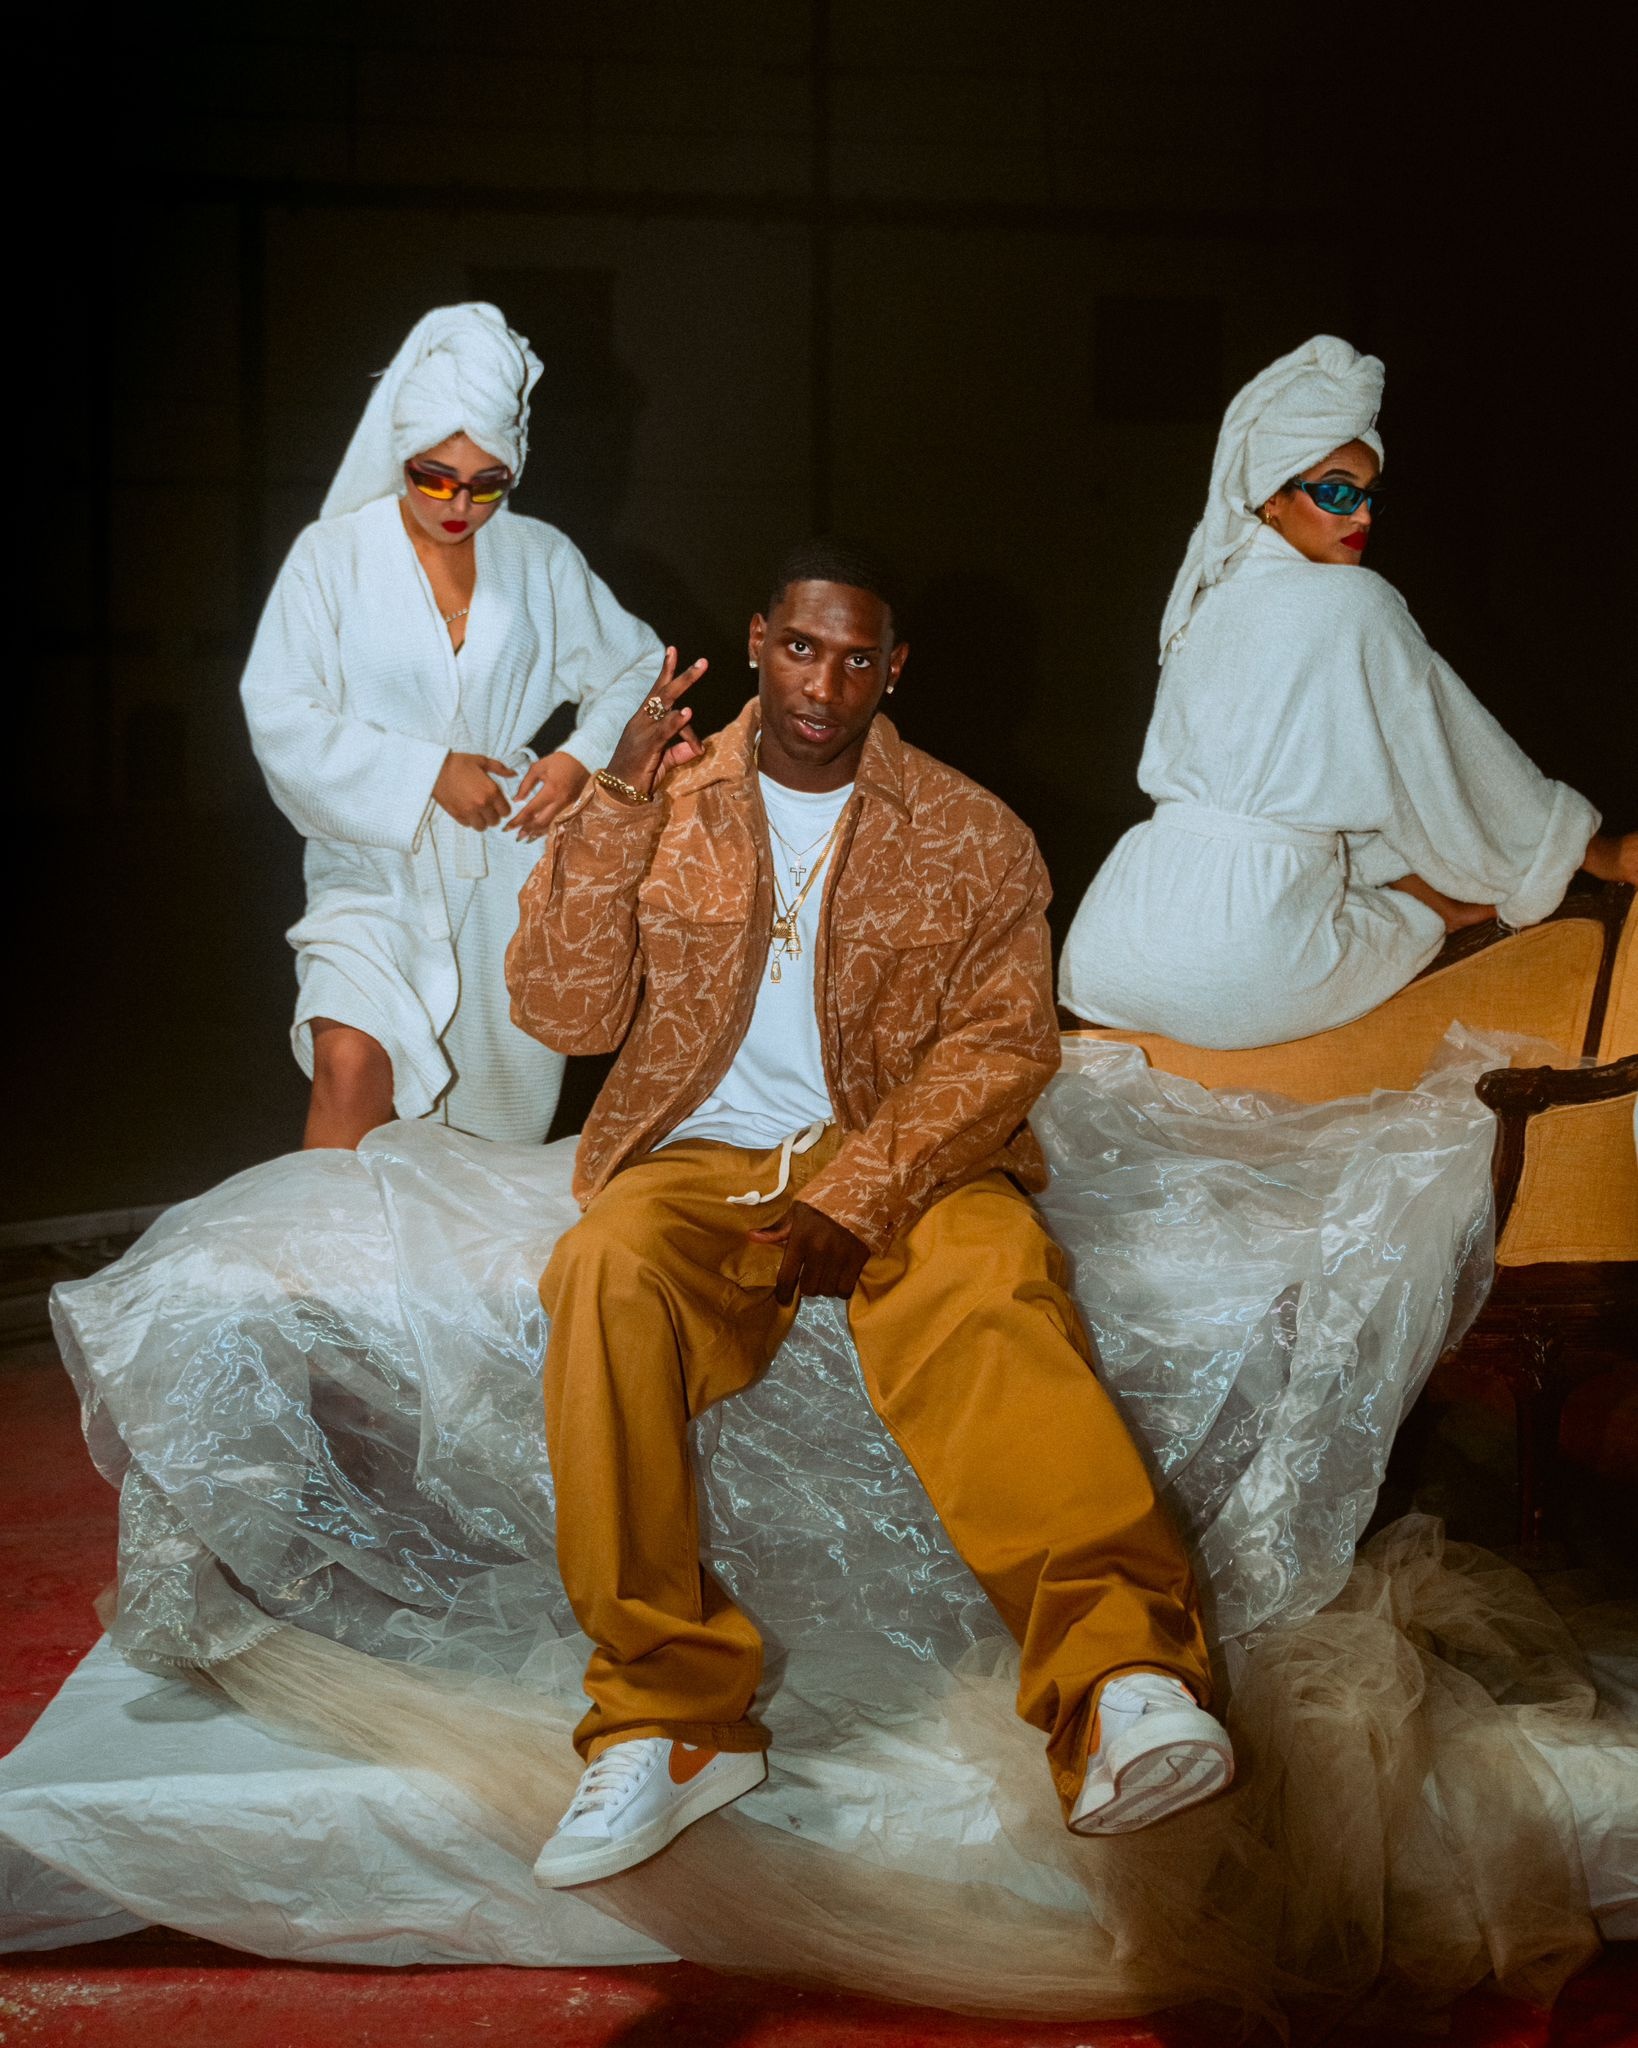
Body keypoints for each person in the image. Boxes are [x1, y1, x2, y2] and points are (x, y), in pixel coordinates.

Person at [504, 539, 1234, 1887]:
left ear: (893, 670)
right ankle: (669, 1721)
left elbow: (1003, 1044)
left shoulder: (969, 831)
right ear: (757, 641)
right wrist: (614, 802)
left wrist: (858, 1192)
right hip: (699, 1157)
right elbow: (564, 1012)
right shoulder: (664, 793)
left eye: (855, 658)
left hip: (910, 1152)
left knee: (993, 1281)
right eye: (799, 647)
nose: (822, 684)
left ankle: (1122, 1682)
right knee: (601, 1272)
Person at [1058, 335, 1634, 1048]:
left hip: (1113, 945)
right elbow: (1448, 757)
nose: (1361, 516)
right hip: (1244, 960)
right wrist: (1593, 852)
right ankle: (1430, 909)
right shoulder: (1354, 602)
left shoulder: (1204, 604)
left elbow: (1317, 782)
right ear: (1271, 498)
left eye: (1368, 497)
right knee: (1432, 910)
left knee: (1373, 868)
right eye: (1336, 491)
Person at [241, 302, 665, 1147]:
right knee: (350, 1065)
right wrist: (425, 771)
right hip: (369, 868)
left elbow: (641, 668)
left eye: (486, 483)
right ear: (401, 452)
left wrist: (579, 757)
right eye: (433, 477)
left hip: (504, 871)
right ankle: (331, 1242)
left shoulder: (540, 558)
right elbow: (279, 711)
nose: (458, 503)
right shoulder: (332, 558)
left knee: (480, 1137)